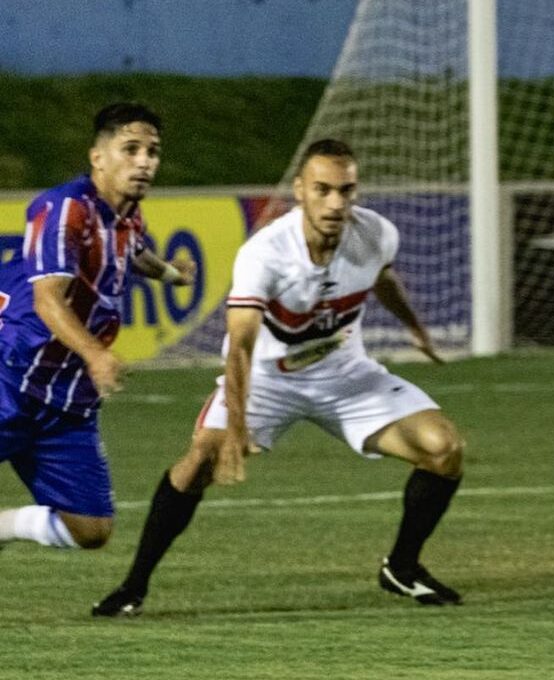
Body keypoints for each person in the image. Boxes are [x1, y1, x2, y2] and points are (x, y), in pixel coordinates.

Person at [92, 138, 465, 616]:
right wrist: (239, 426)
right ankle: (133, 588)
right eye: (322, 189)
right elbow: (241, 347)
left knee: (443, 450)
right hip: (268, 378)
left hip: (346, 375)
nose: (335, 202)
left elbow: (383, 277)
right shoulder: (265, 253)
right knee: (199, 460)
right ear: (300, 191)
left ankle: (402, 568)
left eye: (345, 190)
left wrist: (414, 327)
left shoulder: (376, 233)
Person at [0, 102, 194, 552]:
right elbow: (49, 298)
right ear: (97, 157)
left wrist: (170, 274)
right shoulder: (65, 209)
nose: (145, 161)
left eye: (152, 152)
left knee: (90, 528)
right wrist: (95, 354)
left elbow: (135, 252)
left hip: (67, 401)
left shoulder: (127, 217)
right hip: (13, 376)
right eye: (131, 149)